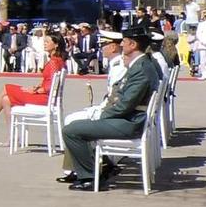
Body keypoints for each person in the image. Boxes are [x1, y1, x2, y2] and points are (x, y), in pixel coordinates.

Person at [58, 23, 162, 190]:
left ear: (133, 45)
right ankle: (100, 168)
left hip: (130, 122)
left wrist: (102, 116)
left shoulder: (141, 68)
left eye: (124, 41)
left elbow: (125, 105)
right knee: (76, 127)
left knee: (71, 130)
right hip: (130, 117)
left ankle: (90, 176)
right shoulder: (141, 64)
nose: (121, 44)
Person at [0, 32, 67, 129]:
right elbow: (50, 81)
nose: (44, 44)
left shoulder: (54, 62)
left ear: (56, 44)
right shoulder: (58, 60)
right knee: (6, 99)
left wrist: (36, 91)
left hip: (45, 98)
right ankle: (10, 137)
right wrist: (38, 87)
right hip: (46, 96)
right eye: (44, 42)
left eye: (47, 42)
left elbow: (51, 85)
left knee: (6, 87)